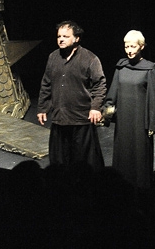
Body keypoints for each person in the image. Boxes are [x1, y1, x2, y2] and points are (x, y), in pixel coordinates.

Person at [37, 20, 106, 168]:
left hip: (81, 119)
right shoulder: (53, 57)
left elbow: (99, 85)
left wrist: (95, 107)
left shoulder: (90, 58)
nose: (61, 39)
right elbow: (46, 84)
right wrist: (43, 108)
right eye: (59, 36)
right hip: (60, 119)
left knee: (84, 163)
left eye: (65, 36)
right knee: (60, 163)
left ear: (76, 38)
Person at [104, 30, 155, 189]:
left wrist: (152, 123)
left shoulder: (149, 69)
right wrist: (107, 110)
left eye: (133, 46)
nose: (129, 50)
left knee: (140, 155)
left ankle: (141, 188)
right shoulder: (121, 67)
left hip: (140, 121)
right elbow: (113, 92)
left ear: (141, 46)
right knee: (123, 153)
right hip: (123, 119)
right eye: (126, 46)